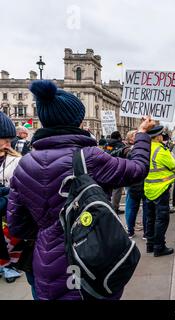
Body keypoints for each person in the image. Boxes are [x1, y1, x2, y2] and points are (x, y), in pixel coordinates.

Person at [6, 80, 155, 300]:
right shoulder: (90, 157)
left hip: (46, 265)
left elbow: (17, 225)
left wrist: (49, 229)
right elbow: (137, 170)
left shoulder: (24, 164)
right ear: (76, 120)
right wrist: (142, 134)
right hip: (91, 258)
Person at [144, 126, 175, 257]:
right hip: (161, 189)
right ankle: (159, 247)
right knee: (161, 219)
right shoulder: (161, 150)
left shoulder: (145, 149)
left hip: (148, 188)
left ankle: (150, 245)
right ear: (158, 136)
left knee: (150, 218)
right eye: (161, 135)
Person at [0, 113, 23, 286]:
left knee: (11, 236)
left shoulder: (17, 160)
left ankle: (9, 264)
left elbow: (21, 188)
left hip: (10, 208)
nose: (8, 143)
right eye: (3, 139)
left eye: (9, 139)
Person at [124, 130, 149, 238]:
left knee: (141, 208)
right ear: (130, 139)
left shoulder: (128, 150)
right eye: (135, 135)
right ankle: (131, 230)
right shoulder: (131, 151)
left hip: (137, 182)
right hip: (136, 182)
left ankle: (141, 232)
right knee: (133, 208)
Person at [105, 131, 126, 215]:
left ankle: (107, 207)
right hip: (118, 169)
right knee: (117, 190)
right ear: (119, 137)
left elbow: (107, 153)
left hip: (108, 169)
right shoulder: (121, 145)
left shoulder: (108, 145)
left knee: (108, 190)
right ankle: (115, 208)